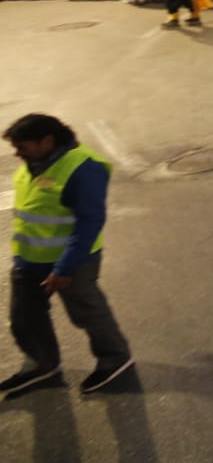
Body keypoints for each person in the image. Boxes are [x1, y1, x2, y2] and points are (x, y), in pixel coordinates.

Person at [2, 114, 134, 398]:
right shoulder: (34, 162)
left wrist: (65, 268)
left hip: (72, 260)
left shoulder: (83, 169)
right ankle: (43, 364)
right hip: (29, 258)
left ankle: (114, 359)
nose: (17, 153)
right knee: (24, 317)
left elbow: (89, 222)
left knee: (86, 312)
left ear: (47, 141)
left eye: (23, 146)